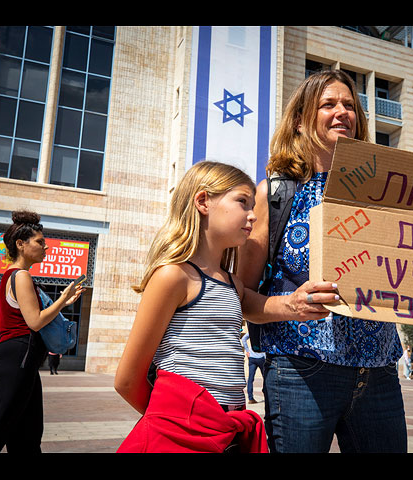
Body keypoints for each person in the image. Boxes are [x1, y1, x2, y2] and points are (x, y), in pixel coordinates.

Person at [238, 69, 413, 453]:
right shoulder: (276, 193)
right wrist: (289, 305)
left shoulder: (387, 194)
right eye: (327, 104)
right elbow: (241, 295)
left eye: (349, 105)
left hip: (378, 375)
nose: (341, 112)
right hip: (301, 374)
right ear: (300, 120)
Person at [115, 161, 335, 453]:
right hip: (184, 433)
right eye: (243, 202)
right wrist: (173, 421)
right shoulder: (173, 275)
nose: (253, 215)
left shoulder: (233, 284)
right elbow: (127, 379)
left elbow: (266, 306)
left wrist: (301, 302)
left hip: (229, 431)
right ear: (203, 202)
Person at [0, 210, 84, 453]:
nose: (46, 247)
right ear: (21, 244)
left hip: (22, 361)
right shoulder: (20, 276)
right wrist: (62, 298)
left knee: (27, 436)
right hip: (17, 360)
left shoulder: (14, 275)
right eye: (40, 242)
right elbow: (35, 321)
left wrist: (63, 302)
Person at [241, 330, 265, 404]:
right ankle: (267, 396)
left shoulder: (253, 331)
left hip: (252, 357)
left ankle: (250, 398)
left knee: (250, 379)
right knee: (266, 378)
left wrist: (247, 350)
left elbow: (243, 338)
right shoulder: (263, 330)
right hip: (261, 357)